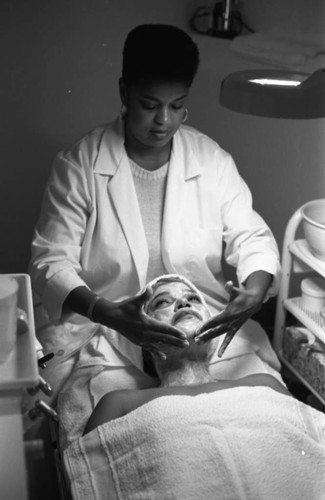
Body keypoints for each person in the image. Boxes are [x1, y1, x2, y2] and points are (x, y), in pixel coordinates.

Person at [29, 24, 281, 393]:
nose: (164, 120)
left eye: (177, 106)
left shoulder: (210, 160)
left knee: (258, 398)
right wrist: (108, 313)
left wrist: (255, 291)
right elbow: (50, 261)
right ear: (124, 93)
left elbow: (252, 235)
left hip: (196, 325)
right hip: (104, 327)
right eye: (150, 105)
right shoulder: (79, 165)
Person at [83, 274, 289, 433]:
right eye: (162, 302)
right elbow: (89, 476)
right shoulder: (118, 405)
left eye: (192, 298)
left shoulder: (265, 385)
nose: (184, 303)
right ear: (141, 341)